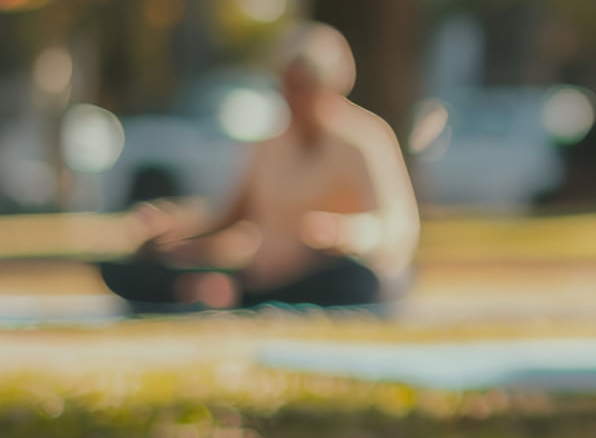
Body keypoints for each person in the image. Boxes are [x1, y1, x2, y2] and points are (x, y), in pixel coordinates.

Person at [100, 23, 419, 313]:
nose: (295, 98)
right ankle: (227, 292)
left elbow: (395, 224)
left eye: (304, 86)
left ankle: (228, 295)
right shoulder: (269, 145)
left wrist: (344, 233)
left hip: (331, 271)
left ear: (330, 85)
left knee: (355, 279)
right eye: (289, 86)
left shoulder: (363, 139)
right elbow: (233, 217)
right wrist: (174, 230)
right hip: (266, 276)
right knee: (128, 271)